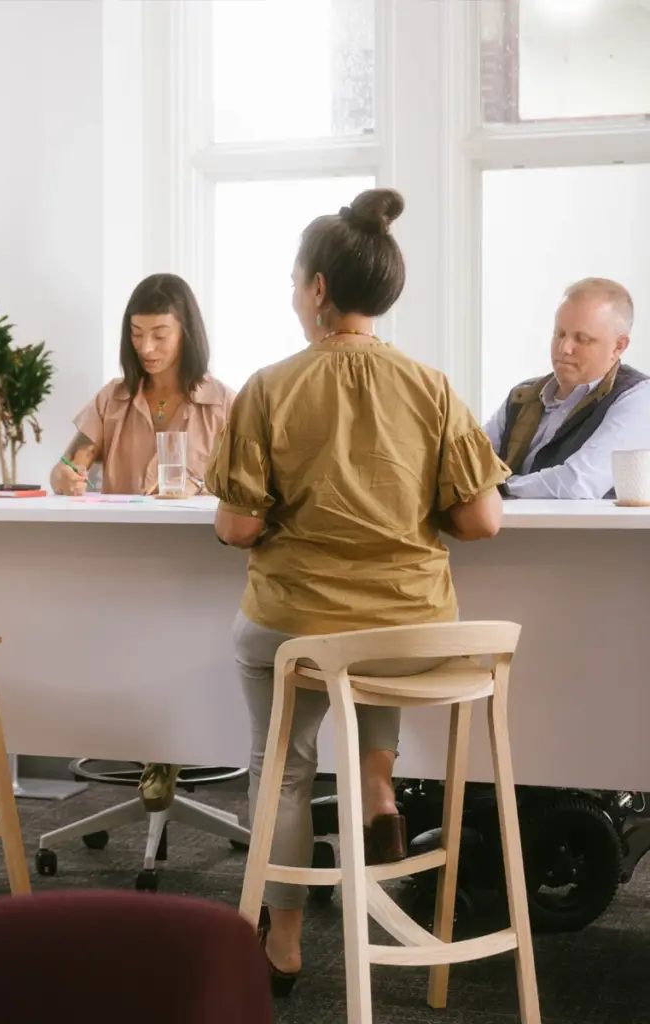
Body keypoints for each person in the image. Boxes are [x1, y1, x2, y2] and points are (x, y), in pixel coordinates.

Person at [205, 188, 508, 994]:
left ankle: (286, 943)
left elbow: (236, 528)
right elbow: (482, 522)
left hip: (297, 626)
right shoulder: (434, 387)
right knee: (372, 645)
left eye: (293, 278)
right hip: (411, 633)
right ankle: (377, 782)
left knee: (287, 765)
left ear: (316, 290)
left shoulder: (268, 388)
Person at [50, 272, 235, 810]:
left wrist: (197, 487)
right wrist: (66, 474)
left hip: (197, 573)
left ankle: (167, 746)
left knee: (176, 652)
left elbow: (250, 488)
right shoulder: (112, 399)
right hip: (123, 570)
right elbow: (69, 463)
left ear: (187, 333)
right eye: (136, 334)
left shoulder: (225, 403)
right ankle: (157, 745)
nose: (147, 348)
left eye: (160, 334)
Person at [484, 277, 650, 499]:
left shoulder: (637, 398)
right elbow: (470, 463)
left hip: (587, 535)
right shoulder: (523, 395)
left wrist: (500, 488)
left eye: (582, 339)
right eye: (559, 334)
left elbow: (578, 482)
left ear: (618, 347)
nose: (564, 348)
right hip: (507, 532)